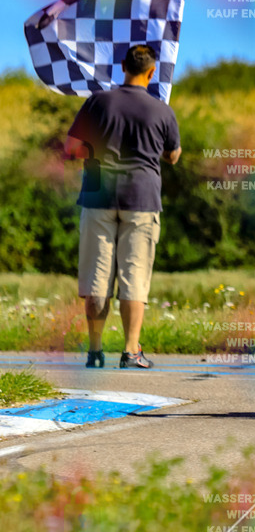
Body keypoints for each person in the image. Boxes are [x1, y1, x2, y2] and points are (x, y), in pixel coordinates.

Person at [64, 45, 182, 369]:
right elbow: (173, 156)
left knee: (97, 277)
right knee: (135, 276)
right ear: (152, 72)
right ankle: (131, 351)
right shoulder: (162, 111)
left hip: (98, 193)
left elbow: (71, 147)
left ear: (122, 66)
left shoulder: (98, 102)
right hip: (142, 198)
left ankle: (95, 351)